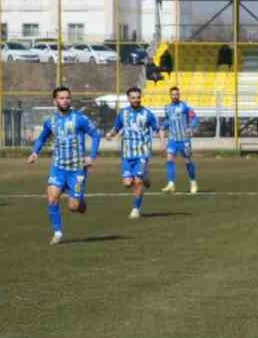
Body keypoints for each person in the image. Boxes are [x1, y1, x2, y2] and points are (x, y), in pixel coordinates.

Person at [27, 86, 102, 245]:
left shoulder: (79, 118)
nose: (65, 100)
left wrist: (91, 156)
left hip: (77, 168)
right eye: (61, 98)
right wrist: (35, 152)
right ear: (55, 101)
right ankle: (58, 232)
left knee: (74, 207)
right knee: (52, 198)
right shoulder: (50, 121)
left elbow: (96, 134)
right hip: (58, 167)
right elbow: (42, 138)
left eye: (67, 97)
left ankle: (80, 201)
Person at [104, 86, 159, 220]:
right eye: (133, 98)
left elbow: (157, 128)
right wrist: (110, 134)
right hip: (127, 154)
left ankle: (136, 209)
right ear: (128, 99)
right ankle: (145, 176)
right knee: (128, 183)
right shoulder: (123, 113)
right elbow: (117, 127)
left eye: (138, 97)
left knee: (137, 181)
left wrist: (162, 135)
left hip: (142, 152)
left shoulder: (147, 114)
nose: (136, 100)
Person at [160, 86, 199, 194]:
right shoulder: (167, 107)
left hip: (184, 140)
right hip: (172, 139)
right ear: (170, 95)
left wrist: (191, 127)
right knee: (169, 159)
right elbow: (168, 120)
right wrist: (163, 127)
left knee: (187, 161)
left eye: (177, 94)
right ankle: (171, 183)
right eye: (173, 94)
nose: (175, 96)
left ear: (179, 95)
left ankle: (193, 182)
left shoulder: (185, 106)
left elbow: (195, 117)